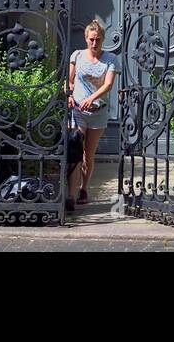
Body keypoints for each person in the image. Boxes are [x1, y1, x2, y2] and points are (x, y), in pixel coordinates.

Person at [66, 18, 117, 210]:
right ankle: (70, 196)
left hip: (98, 112)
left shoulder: (111, 59)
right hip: (78, 111)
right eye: (91, 39)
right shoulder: (77, 56)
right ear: (86, 38)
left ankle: (84, 188)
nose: (94, 43)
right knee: (75, 151)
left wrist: (92, 98)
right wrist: (69, 95)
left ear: (103, 39)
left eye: (98, 40)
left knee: (89, 154)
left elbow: (108, 84)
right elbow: (68, 81)